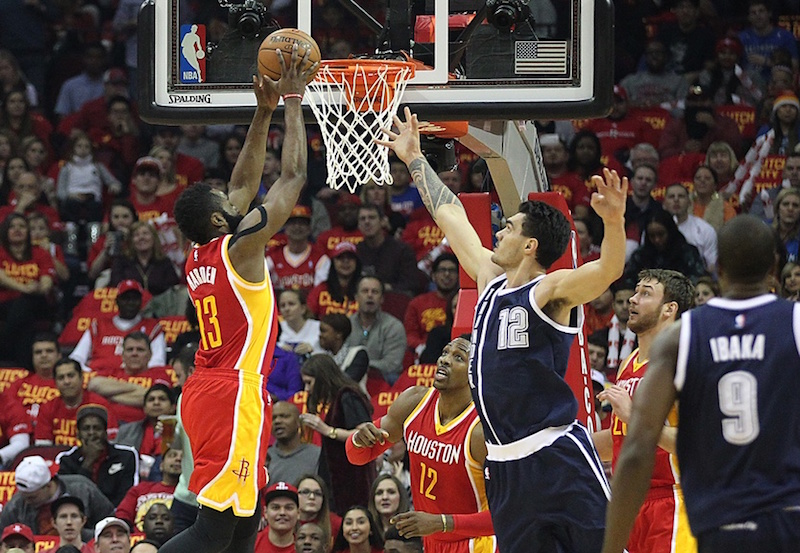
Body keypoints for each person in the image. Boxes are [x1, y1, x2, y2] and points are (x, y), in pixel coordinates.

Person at [378, 108, 628, 553]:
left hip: (555, 453)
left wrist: (613, 222)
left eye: (508, 228)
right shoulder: (490, 282)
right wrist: (415, 159)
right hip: (505, 463)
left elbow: (608, 270)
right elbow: (451, 216)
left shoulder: (549, 289)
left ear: (530, 245)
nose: (498, 231)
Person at [161, 47, 316, 553]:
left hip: (205, 387)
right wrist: (294, 99)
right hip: (234, 391)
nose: (234, 200)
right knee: (215, 529)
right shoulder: (241, 248)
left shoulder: (198, 252)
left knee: (245, 519)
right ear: (218, 221)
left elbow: (241, 185)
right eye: (226, 206)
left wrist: (263, 111)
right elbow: (290, 178)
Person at [602, 215, 800, 553]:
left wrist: (610, 546)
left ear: (718, 265)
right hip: (787, 510)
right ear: (775, 263)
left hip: (715, 515)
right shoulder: (794, 324)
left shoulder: (683, 336)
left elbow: (637, 449)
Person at [347, 336, 496, 553]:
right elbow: (356, 456)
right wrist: (358, 440)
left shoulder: (481, 432)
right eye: (445, 352)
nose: (445, 360)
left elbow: (509, 515)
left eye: (458, 357)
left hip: (476, 544)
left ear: (476, 371)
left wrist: (442, 523)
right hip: (432, 542)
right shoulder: (414, 402)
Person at [590, 269, 696, 553]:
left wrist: (634, 418)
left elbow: (696, 445)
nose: (632, 301)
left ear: (669, 309)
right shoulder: (629, 363)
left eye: (645, 293)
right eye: (635, 292)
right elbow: (619, 440)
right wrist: (567, 446)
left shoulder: (685, 362)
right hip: (630, 504)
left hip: (674, 502)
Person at [299, 354, 375, 513]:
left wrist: (327, 430)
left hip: (353, 478)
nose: (306, 389)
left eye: (309, 383)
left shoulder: (348, 396)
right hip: (336, 477)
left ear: (322, 378)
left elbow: (366, 434)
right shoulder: (335, 399)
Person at [0, 455, 114, 538]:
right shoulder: (15, 505)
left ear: (48, 486)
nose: (26, 502)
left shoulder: (83, 489)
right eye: (23, 496)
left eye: (32, 497)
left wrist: (78, 534)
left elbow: (110, 525)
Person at [69, 279, 166, 373]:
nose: (130, 303)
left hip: (136, 381)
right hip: (99, 380)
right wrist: (91, 374)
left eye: (134, 298)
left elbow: (158, 363)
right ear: (117, 301)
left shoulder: (153, 327)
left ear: (141, 302)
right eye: (126, 298)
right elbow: (76, 358)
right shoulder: (98, 326)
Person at [0, 212, 56, 367]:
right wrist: (24, 288)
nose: (17, 230)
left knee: (26, 303)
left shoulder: (40, 252)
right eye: (12, 227)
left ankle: (4, 341)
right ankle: (25, 369)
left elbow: (46, 283)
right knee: (25, 326)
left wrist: (37, 289)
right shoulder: (1, 252)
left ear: (28, 231)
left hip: (37, 303)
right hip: (6, 306)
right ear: (5, 231)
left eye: (22, 226)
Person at [56, 404, 139, 506]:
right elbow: (69, 497)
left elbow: (127, 497)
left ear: (105, 433)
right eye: (86, 428)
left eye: (97, 428)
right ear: (78, 434)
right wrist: (88, 462)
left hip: (114, 515)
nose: (92, 433)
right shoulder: (66, 460)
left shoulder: (126, 456)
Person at [87, 332, 172, 423]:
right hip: (109, 425)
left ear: (150, 355)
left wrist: (109, 395)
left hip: (143, 427)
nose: (134, 354)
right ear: (122, 355)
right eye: (130, 350)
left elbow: (155, 399)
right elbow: (93, 385)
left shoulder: (160, 374)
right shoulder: (112, 372)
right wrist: (141, 390)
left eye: (140, 350)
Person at [35, 358, 119, 446]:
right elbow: (43, 447)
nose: (66, 382)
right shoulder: (48, 407)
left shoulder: (100, 405)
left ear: (82, 378)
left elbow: (111, 444)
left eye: (71, 376)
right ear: (55, 383)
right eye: (61, 378)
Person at [344, 276, 407, 386]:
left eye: (375, 292)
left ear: (382, 299)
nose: (369, 295)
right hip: (349, 376)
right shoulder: (346, 324)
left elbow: (392, 365)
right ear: (356, 297)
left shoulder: (394, 326)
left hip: (382, 378)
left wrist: (361, 365)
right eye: (365, 291)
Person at [625, 210, 707, 284]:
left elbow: (698, 279)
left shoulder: (688, 253)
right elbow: (629, 282)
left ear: (670, 231)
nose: (657, 240)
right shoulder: (640, 256)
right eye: (652, 236)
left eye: (661, 234)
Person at [403, 253, 459, 361]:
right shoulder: (417, 303)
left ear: (459, 275)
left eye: (452, 270)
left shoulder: (464, 303)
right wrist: (425, 347)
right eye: (442, 270)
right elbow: (410, 335)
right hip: (425, 355)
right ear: (433, 275)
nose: (447, 274)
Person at [115, 446, 182, 531]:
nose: (178, 459)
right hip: (138, 540)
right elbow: (122, 515)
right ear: (161, 465)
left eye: (183, 458)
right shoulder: (140, 489)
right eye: (172, 455)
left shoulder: (191, 495)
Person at [109, 221, 181, 296]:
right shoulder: (121, 261)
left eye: (145, 233)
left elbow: (173, 288)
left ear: (154, 238)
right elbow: (116, 285)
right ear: (131, 240)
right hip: (130, 303)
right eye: (136, 235)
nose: (141, 237)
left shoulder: (164, 261)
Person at [663, 182, 718, 272]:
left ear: (689, 202)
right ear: (664, 203)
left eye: (681, 196)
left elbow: (711, 265)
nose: (676, 200)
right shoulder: (655, 229)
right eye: (671, 197)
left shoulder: (705, 229)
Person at [266, 402, 321, 486]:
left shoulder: (317, 455)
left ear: (298, 422)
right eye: (273, 418)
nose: (277, 421)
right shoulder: (264, 458)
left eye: (284, 416)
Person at [307, 241, 362, 319]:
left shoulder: (364, 290)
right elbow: (308, 317)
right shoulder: (320, 290)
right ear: (333, 262)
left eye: (350, 258)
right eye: (340, 258)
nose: (345, 262)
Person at [318, 313, 369, 389]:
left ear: (338, 334)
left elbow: (348, 382)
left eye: (324, 331)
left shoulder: (358, 354)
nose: (320, 335)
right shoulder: (321, 358)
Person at [294, 474, 342, 549]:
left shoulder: (336, 524)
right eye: (305, 492)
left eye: (318, 493)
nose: (312, 497)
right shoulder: (286, 522)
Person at [254, 482, 300, 553]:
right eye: (275, 507)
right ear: (265, 512)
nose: (282, 513)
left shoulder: (305, 547)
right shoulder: (252, 544)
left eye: (289, 508)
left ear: (298, 513)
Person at [367, 474, 410, 540]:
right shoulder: (367, 532)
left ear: (401, 497)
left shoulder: (412, 529)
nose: (385, 497)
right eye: (379, 493)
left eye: (391, 492)